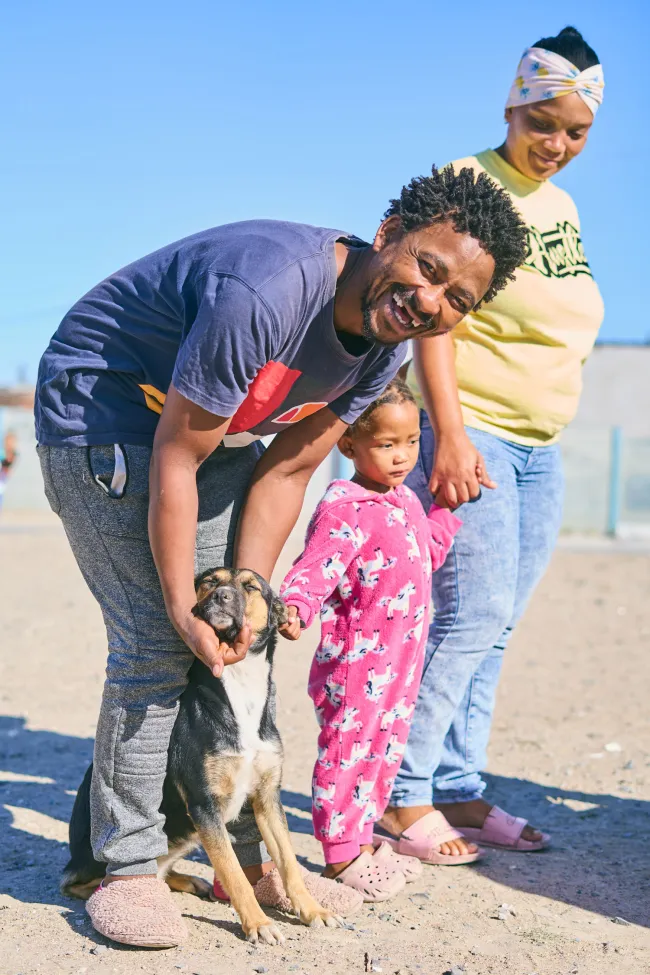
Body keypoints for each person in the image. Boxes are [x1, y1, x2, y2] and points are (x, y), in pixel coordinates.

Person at [35, 167, 526, 946]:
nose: (430, 299)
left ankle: (252, 859)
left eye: (456, 298)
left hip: (212, 431)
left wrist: (248, 598)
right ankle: (120, 868)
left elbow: (290, 469)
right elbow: (175, 455)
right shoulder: (265, 291)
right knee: (159, 639)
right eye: (428, 267)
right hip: (107, 407)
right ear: (389, 232)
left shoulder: (382, 353)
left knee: (234, 640)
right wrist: (180, 602)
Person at [380, 27, 605, 861]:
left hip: (541, 446)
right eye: (542, 122)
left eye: (576, 131)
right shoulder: (469, 186)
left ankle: (458, 786)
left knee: (496, 623)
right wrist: (449, 434)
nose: (556, 143)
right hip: (476, 433)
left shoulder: (563, 208)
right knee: (466, 618)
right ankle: (401, 793)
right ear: (512, 105)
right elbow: (435, 316)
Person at [279, 380, 468, 902]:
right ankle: (340, 856)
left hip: (400, 664)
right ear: (348, 445)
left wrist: (444, 510)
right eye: (386, 444)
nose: (402, 456)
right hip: (355, 666)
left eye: (411, 442)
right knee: (347, 754)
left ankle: (363, 841)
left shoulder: (405, 500)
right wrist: (297, 607)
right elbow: (315, 567)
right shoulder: (344, 506)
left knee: (383, 752)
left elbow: (424, 554)